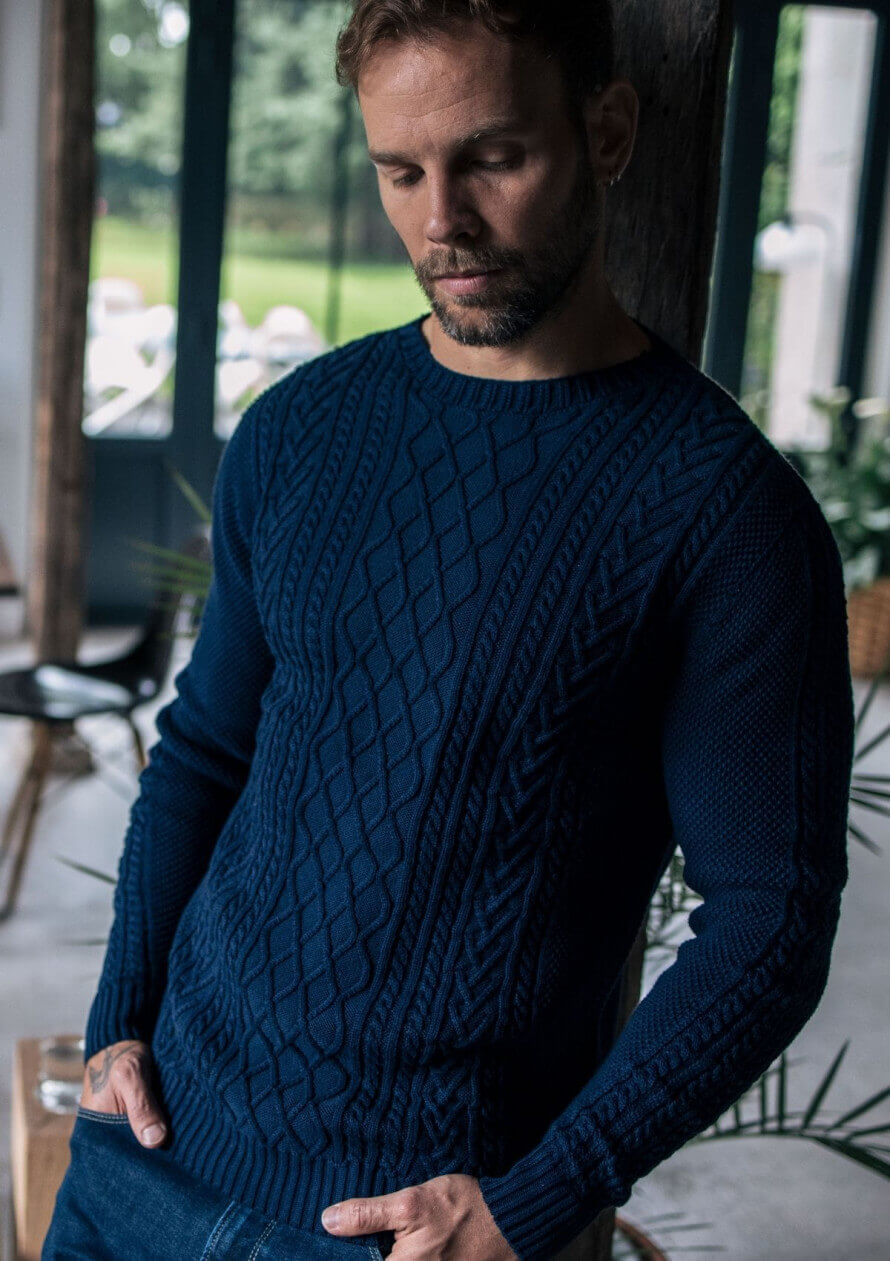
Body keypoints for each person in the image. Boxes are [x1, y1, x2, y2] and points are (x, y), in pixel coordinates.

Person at [43, 1, 856, 1259]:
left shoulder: (724, 514)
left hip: (407, 1229)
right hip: (145, 1155)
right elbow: (204, 752)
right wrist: (117, 1026)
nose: (442, 221)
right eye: (400, 171)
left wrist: (531, 1203)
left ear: (606, 132)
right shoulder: (299, 429)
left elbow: (769, 918)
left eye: (491, 158)